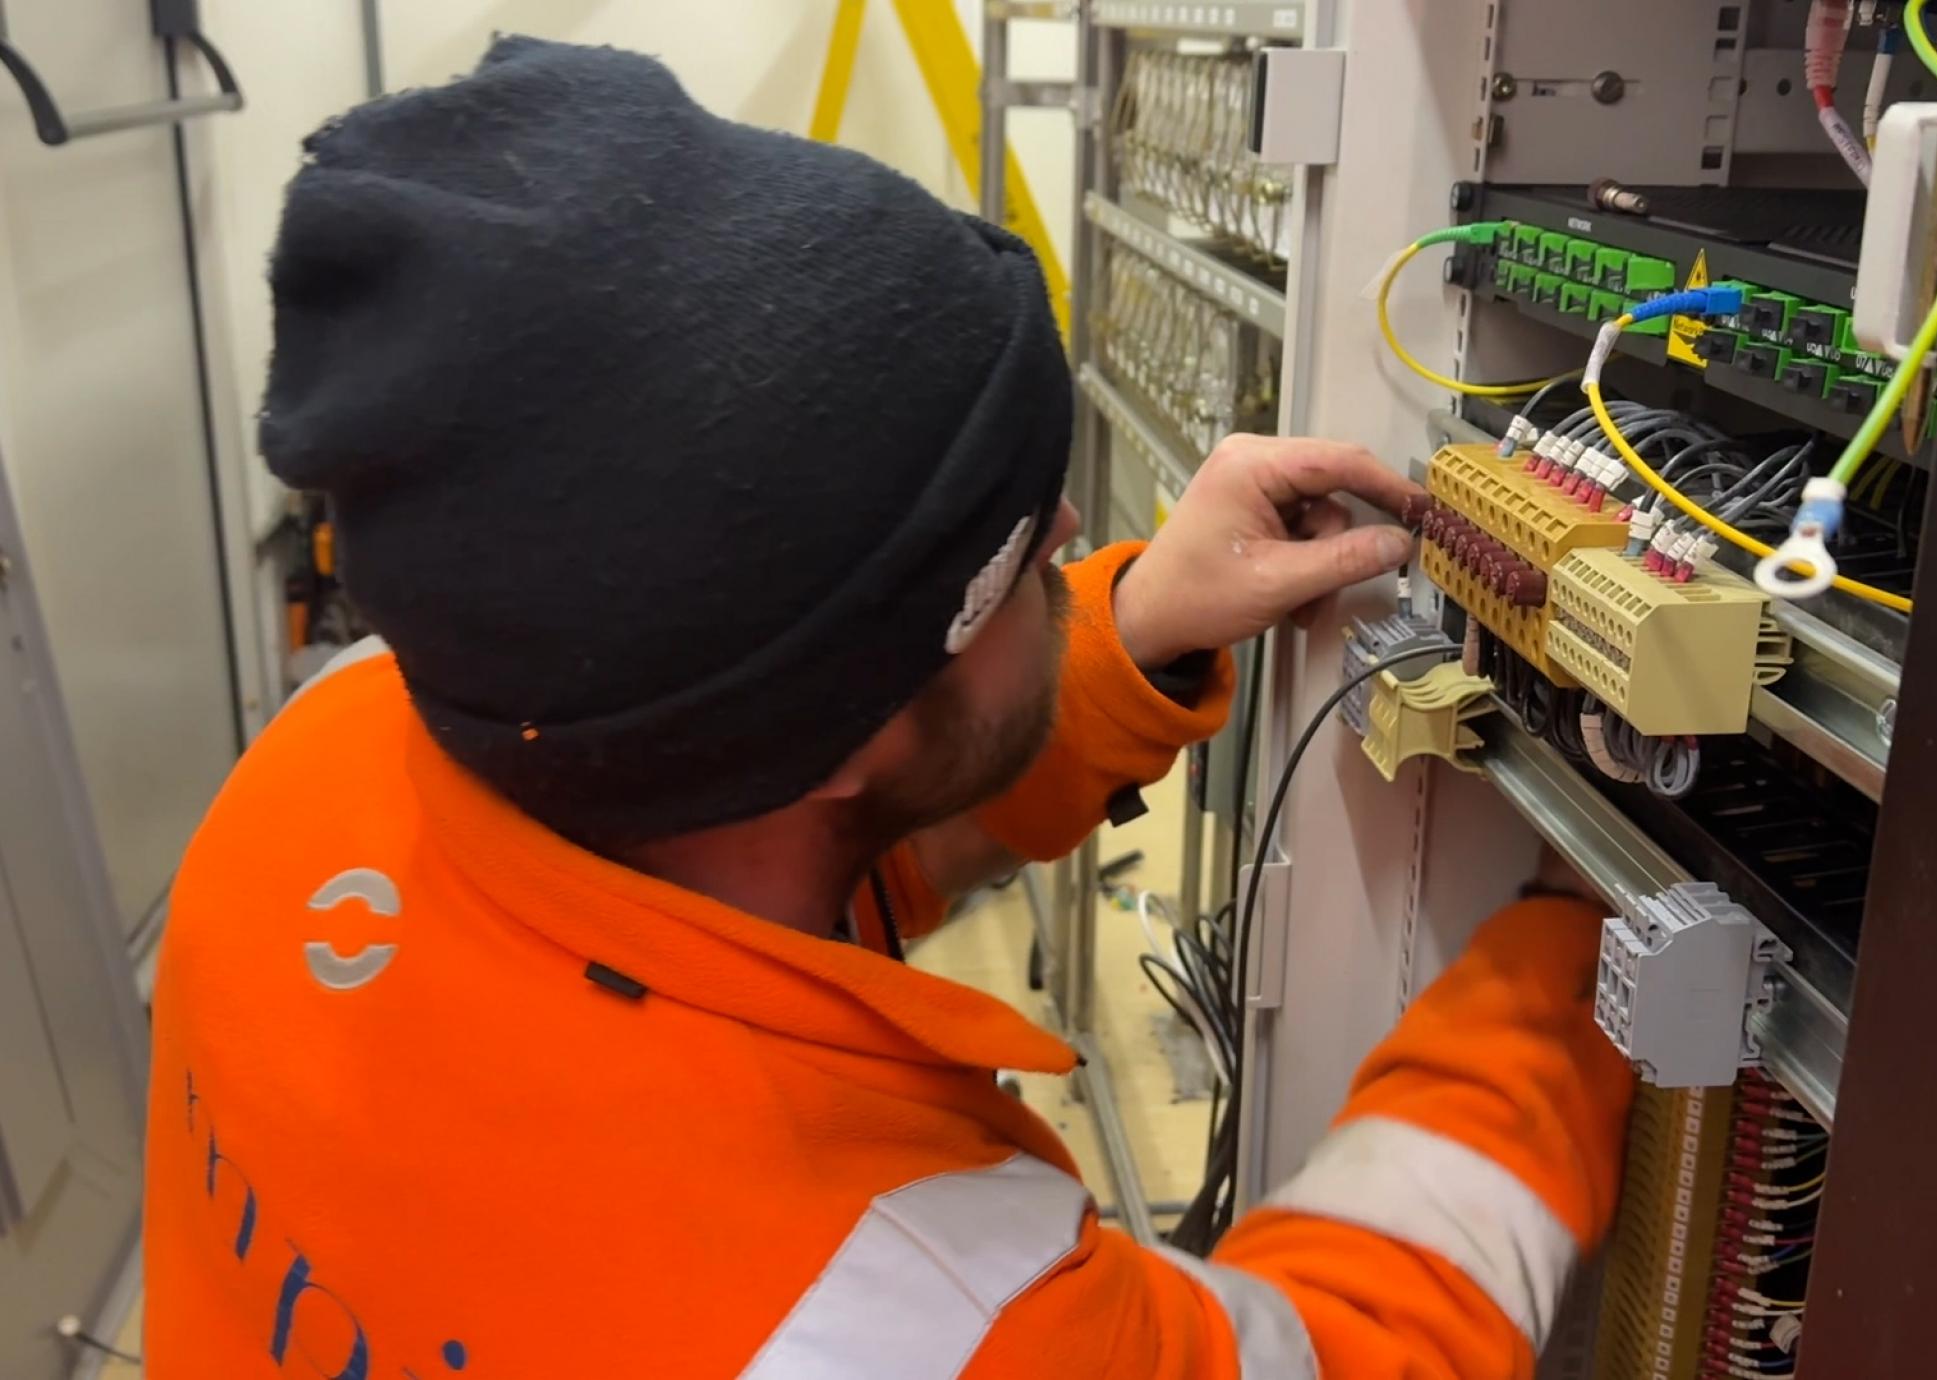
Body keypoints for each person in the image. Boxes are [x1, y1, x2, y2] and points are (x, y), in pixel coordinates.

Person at [143, 36, 1633, 1379]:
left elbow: (751, 902)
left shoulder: (330, 750)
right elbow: (1351, 1352)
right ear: (836, 731)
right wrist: (1590, 942)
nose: (1068, 530)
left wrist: (1118, 632)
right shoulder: (922, 1321)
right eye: (1018, 558)